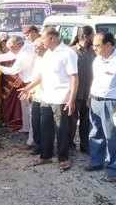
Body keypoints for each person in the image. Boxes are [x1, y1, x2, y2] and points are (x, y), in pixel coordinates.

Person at [19, 28, 78, 171]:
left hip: (61, 98)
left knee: (61, 129)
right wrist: (28, 87)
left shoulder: (68, 53)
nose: (41, 41)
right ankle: (46, 156)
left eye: (43, 38)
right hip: (46, 97)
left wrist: (71, 99)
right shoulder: (48, 54)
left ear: (52, 38)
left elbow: (74, 77)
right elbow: (42, 76)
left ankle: (63, 158)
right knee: (45, 128)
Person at [85, 32, 116, 183]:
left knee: (113, 138)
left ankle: (114, 170)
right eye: (93, 45)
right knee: (95, 133)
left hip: (112, 102)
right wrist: (90, 96)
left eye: (97, 45)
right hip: (95, 100)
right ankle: (97, 162)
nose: (94, 48)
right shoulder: (97, 60)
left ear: (109, 45)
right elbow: (96, 81)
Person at [0, 35, 36, 145]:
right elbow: (8, 55)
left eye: (12, 48)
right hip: (24, 80)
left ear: (19, 45)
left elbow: (12, 71)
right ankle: (26, 128)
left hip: (32, 83)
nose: (11, 51)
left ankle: (32, 139)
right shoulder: (20, 49)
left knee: (31, 111)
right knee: (24, 106)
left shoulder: (24, 54)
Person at [69, 26, 95, 153]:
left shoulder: (93, 51)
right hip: (75, 94)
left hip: (88, 94)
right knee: (71, 122)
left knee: (86, 122)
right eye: (92, 35)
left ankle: (85, 145)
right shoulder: (71, 51)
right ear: (85, 36)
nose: (94, 37)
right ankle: (69, 144)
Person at [28, 37, 47, 155]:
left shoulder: (49, 59)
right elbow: (34, 77)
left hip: (46, 95)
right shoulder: (37, 59)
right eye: (34, 47)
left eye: (37, 47)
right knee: (35, 121)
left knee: (44, 124)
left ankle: (45, 147)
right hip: (36, 94)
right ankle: (38, 144)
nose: (35, 49)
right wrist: (30, 90)